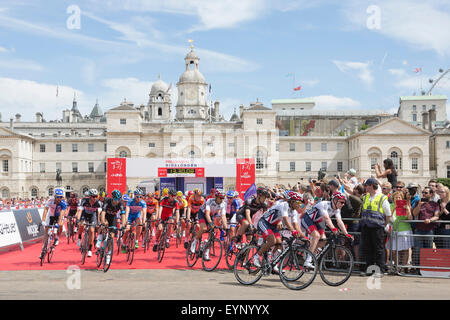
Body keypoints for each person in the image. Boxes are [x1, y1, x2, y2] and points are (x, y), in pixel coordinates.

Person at [253, 191, 304, 271]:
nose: (299, 205)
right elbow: (286, 220)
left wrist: (303, 236)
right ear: (292, 201)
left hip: (273, 225)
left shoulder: (293, 211)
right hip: (264, 222)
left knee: (279, 244)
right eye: (298, 202)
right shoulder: (285, 205)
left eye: (300, 203)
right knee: (272, 241)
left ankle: (273, 263)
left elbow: (295, 225)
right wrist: (293, 231)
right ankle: (256, 257)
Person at [300, 191, 351, 267]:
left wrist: (346, 233)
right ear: (335, 200)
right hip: (308, 219)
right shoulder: (324, 204)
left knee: (323, 240)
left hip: (317, 222)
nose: (343, 205)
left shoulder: (337, 210)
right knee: (316, 236)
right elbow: (326, 218)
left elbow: (339, 221)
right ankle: (308, 260)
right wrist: (333, 229)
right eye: (341, 202)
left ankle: (309, 254)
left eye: (344, 203)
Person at [359, 178, 392, 276]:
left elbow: (388, 214)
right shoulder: (365, 197)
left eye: (367, 185)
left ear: (372, 186)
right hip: (366, 227)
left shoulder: (382, 198)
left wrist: (384, 225)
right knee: (368, 249)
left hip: (377, 228)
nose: (365, 187)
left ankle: (380, 270)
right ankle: (369, 270)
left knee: (378, 249)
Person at [190, 190, 228, 261]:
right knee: (204, 228)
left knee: (213, 234)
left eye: (223, 198)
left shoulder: (223, 204)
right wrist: (210, 223)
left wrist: (226, 227)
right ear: (216, 197)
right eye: (220, 198)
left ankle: (206, 252)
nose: (222, 199)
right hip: (203, 214)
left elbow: (223, 216)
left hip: (212, 215)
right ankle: (194, 241)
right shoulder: (210, 201)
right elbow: (207, 214)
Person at [411, 186, 440, 271]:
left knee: (428, 250)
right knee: (417, 250)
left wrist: (430, 220)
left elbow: (437, 216)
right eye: (423, 192)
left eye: (426, 193)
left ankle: (427, 268)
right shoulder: (418, 202)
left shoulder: (435, 204)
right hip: (419, 229)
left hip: (429, 230)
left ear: (430, 194)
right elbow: (414, 213)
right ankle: (418, 269)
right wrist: (419, 205)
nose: (423, 194)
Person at [386, 191, 413, 273]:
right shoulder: (390, 206)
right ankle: (397, 266)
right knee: (394, 250)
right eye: (396, 197)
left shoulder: (406, 205)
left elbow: (410, 219)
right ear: (393, 198)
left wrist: (408, 210)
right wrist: (394, 208)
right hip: (394, 230)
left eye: (399, 197)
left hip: (405, 230)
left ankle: (403, 267)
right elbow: (389, 218)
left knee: (404, 250)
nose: (398, 199)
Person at [98, 190, 125, 264]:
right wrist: (103, 223)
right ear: (112, 198)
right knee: (104, 223)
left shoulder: (120, 203)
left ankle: (109, 254)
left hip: (113, 218)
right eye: (115, 199)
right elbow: (103, 213)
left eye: (118, 199)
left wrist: (123, 226)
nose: (117, 201)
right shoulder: (107, 201)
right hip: (105, 216)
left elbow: (123, 215)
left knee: (111, 237)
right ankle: (99, 238)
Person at [39, 188, 67, 259]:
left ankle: (57, 237)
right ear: (54, 196)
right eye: (58, 197)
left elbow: (61, 214)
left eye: (61, 197)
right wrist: (43, 220)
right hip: (51, 216)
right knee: (46, 232)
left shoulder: (63, 203)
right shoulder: (50, 201)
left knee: (60, 224)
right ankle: (43, 250)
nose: (60, 198)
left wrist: (58, 223)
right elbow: (45, 210)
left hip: (58, 216)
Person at [76, 189, 102, 257]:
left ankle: (90, 249)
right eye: (93, 196)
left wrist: (99, 222)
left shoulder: (98, 203)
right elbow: (80, 211)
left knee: (92, 230)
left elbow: (99, 213)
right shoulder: (84, 200)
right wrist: (78, 220)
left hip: (93, 215)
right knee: (81, 225)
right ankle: (79, 238)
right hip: (85, 214)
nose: (95, 198)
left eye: (96, 196)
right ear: (90, 196)